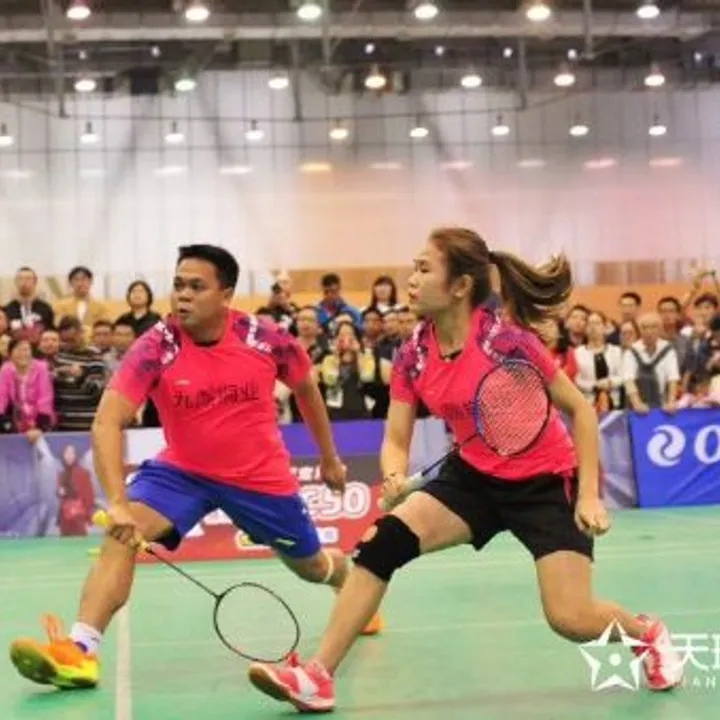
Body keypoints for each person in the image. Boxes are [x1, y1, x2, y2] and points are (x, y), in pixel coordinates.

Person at [246, 227, 683, 713]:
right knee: (381, 543)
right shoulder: (413, 353)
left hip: (545, 482)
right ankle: (317, 676)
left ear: (460, 286)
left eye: (424, 269)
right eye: (413, 268)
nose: (411, 280)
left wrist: (588, 495)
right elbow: (395, 439)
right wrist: (393, 476)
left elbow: (580, 410)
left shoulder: (506, 342)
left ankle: (646, 635)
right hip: (474, 476)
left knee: (571, 618)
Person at [9, 244, 381, 691]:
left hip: (259, 478)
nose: (182, 295)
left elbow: (306, 389)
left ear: (225, 294)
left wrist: (329, 457)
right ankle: (80, 651)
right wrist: (119, 504)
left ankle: (345, 580)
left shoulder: (266, 339)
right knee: (121, 534)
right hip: (183, 472)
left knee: (311, 567)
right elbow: (107, 421)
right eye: (178, 285)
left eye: (196, 286)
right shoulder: (156, 346)